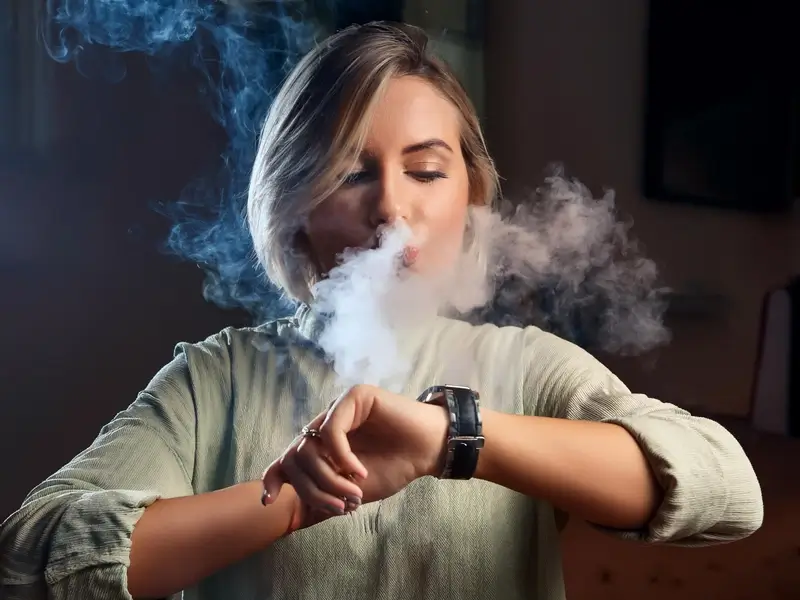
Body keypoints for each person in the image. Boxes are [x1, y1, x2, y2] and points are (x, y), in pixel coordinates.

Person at [0, 21, 762, 600]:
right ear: (295, 205)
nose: (392, 208)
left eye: (426, 170)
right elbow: (30, 557)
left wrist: (455, 437)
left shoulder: (522, 369)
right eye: (350, 172)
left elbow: (729, 491)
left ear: (469, 199)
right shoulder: (216, 381)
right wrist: (293, 499)